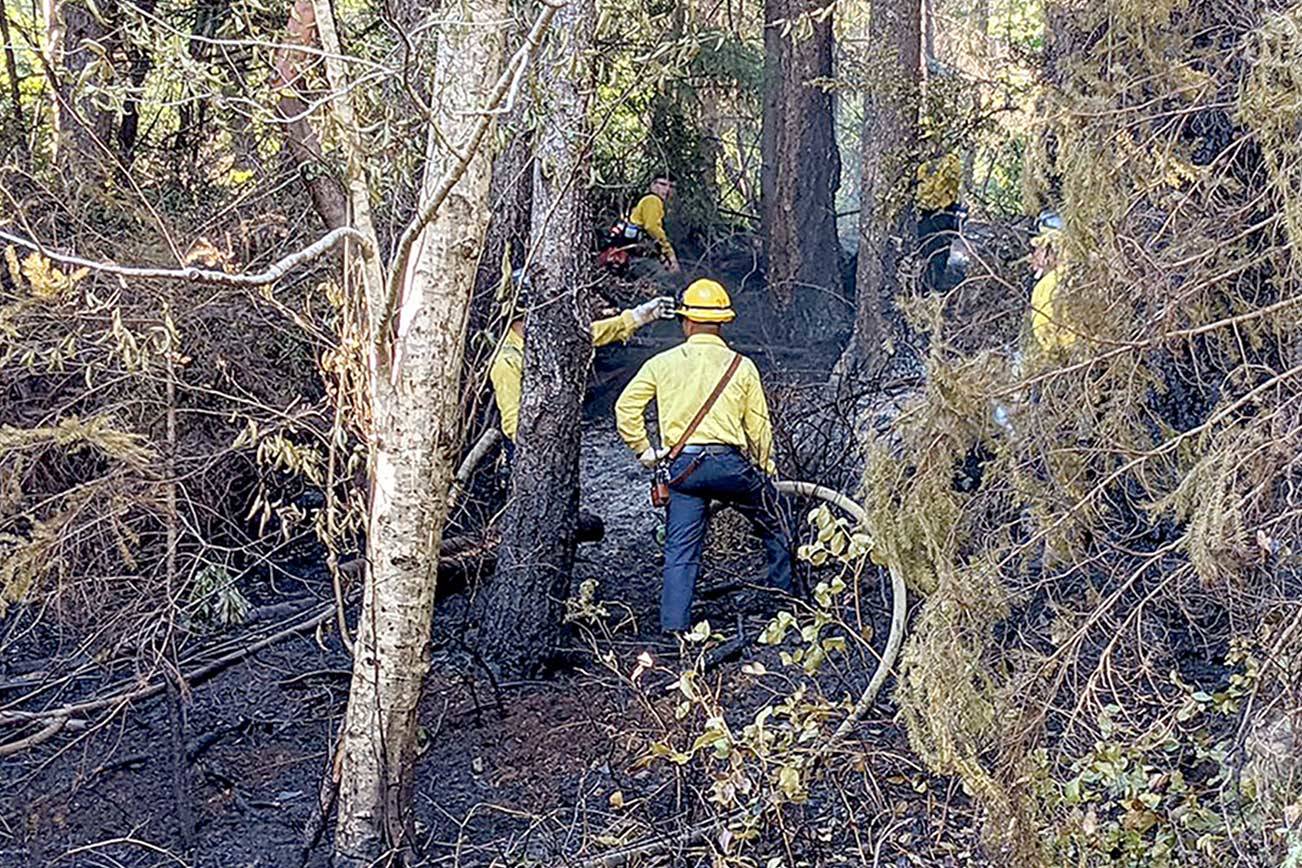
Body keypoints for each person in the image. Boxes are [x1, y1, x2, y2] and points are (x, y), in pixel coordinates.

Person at [614, 278, 793, 633]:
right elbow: (759, 428)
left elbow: (625, 409)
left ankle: (674, 629)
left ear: (686, 322)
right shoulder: (742, 367)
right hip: (730, 467)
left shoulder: (661, 363)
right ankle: (784, 607)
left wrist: (646, 452)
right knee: (778, 523)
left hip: (684, 471)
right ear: (723, 323)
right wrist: (765, 471)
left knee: (680, 551)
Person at [488, 269, 675, 448]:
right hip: (529, 456)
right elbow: (513, 425)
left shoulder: (545, 339)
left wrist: (638, 317)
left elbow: (584, 335)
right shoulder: (507, 361)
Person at [598, 175, 681, 275]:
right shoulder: (652, 200)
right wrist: (669, 253)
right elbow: (652, 227)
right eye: (662, 184)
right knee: (668, 281)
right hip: (635, 256)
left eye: (671, 187)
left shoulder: (650, 202)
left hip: (632, 255)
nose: (667, 189)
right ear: (652, 185)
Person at [915, 152, 966, 292]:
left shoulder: (949, 161)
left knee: (936, 257)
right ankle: (928, 290)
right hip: (930, 216)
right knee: (932, 256)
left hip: (939, 216)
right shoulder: (923, 163)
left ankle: (930, 292)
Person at [1027, 209, 1075, 356]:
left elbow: (1046, 334)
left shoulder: (1047, 285)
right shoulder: (1087, 272)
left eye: (1037, 248)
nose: (1032, 257)